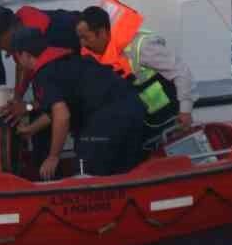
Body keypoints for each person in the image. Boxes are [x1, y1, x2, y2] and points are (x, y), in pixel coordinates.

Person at [8, 28, 145, 179]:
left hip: (108, 121)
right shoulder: (66, 60)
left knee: (84, 172)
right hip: (134, 110)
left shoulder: (45, 73)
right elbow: (57, 110)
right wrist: (31, 129)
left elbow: (62, 115)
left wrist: (53, 156)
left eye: (15, 57)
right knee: (124, 174)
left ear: (24, 55)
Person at [75, 1, 195, 147]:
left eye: (86, 38)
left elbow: (181, 72)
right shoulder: (95, 54)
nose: (82, 44)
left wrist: (185, 111)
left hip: (166, 116)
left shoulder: (142, 47)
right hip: (138, 118)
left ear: (102, 33)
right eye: (80, 38)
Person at [0, 4, 80, 119]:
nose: (0, 48)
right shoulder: (23, 32)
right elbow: (22, 66)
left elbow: (57, 103)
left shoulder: (50, 49)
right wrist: (17, 99)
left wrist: (27, 107)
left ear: (11, 30)